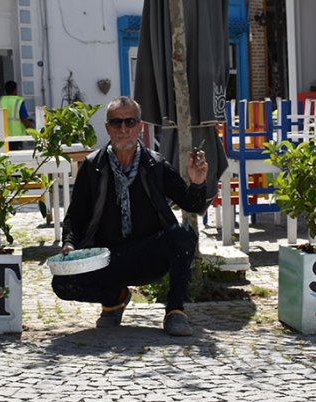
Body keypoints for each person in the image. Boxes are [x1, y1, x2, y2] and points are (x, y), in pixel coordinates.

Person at [52, 96, 208, 336]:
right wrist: (69, 245)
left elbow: (192, 205)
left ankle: (175, 311)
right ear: (107, 128)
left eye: (130, 122)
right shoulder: (93, 166)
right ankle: (115, 298)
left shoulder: (155, 165)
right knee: (62, 283)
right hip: (106, 258)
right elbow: (75, 216)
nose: (123, 129)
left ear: (139, 127)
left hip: (148, 255)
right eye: (116, 123)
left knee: (184, 236)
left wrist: (197, 183)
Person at [0, 80, 34, 149]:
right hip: (16, 137)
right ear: (15, 90)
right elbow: (24, 120)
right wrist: (33, 131)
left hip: (2, 136)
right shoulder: (18, 102)